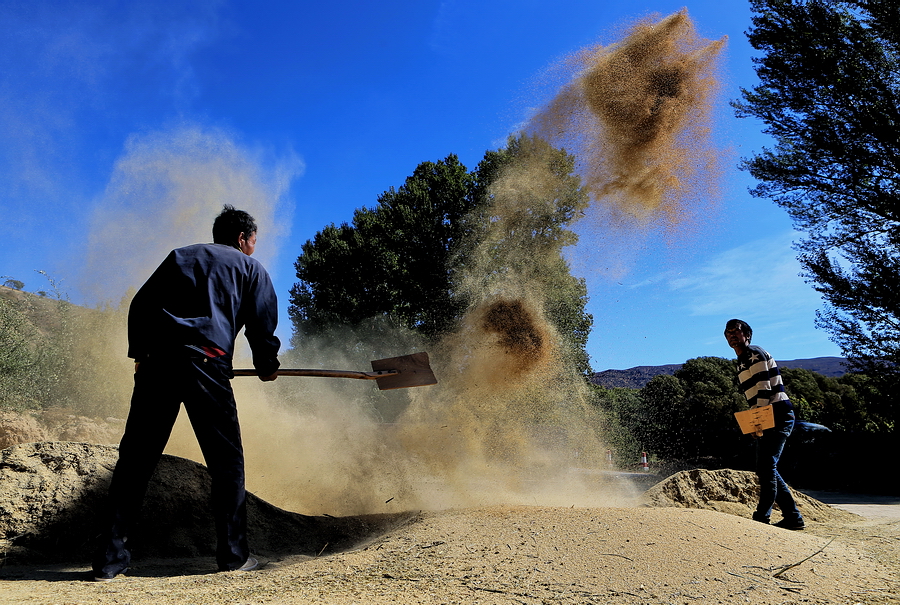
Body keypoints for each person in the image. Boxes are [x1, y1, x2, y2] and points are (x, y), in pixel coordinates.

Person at [91, 205, 281, 580]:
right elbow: (262, 321)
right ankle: (233, 556)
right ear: (243, 239)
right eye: (254, 241)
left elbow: (141, 304)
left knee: (135, 462)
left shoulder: (180, 256)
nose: (254, 248)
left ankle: (109, 563)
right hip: (206, 364)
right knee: (227, 465)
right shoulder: (250, 268)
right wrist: (266, 365)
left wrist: (141, 356)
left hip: (158, 363)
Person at [724, 318, 805, 530]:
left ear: (747, 335)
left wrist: (757, 420)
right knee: (766, 468)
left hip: (776, 413)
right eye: (728, 332)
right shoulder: (743, 360)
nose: (732, 335)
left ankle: (762, 517)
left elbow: (764, 388)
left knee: (766, 467)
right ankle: (793, 517)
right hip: (768, 413)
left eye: (736, 331)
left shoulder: (754, 353)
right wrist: (756, 420)